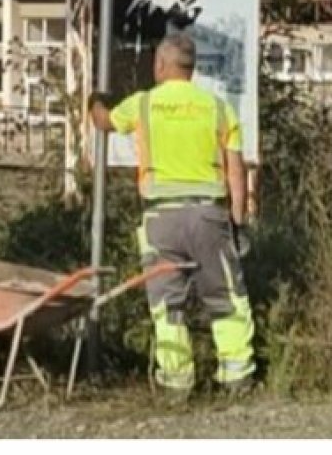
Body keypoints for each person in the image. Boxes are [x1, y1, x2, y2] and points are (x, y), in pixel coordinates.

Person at [89, 33, 255, 400]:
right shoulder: (217, 107)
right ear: (192, 69)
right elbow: (236, 172)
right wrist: (238, 221)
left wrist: (96, 101)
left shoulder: (144, 104)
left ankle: (176, 384)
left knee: (167, 302)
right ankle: (236, 375)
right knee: (226, 295)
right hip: (208, 216)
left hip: (160, 221)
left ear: (160, 65)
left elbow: (103, 122)